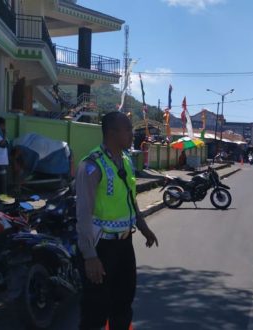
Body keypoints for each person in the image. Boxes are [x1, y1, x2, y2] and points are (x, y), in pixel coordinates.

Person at [76, 111, 159, 330]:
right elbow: (83, 214)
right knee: (96, 309)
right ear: (112, 133)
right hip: (100, 247)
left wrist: (143, 227)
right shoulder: (91, 165)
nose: (133, 134)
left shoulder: (126, 161)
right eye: (128, 130)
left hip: (124, 244)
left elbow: (131, 200)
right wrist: (90, 256)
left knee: (123, 303)